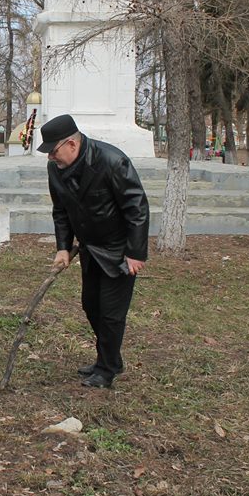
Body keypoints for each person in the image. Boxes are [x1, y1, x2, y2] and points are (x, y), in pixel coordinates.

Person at [38, 114, 149, 389]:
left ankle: (107, 369)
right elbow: (61, 210)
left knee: (111, 313)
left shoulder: (112, 161)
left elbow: (137, 208)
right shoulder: (55, 169)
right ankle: (109, 358)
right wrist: (63, 248)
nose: (51, 157)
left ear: (72, 145)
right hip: (90, 249)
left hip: (118, 249)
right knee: (91, 304)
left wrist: (135, 253)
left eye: (53, 151)